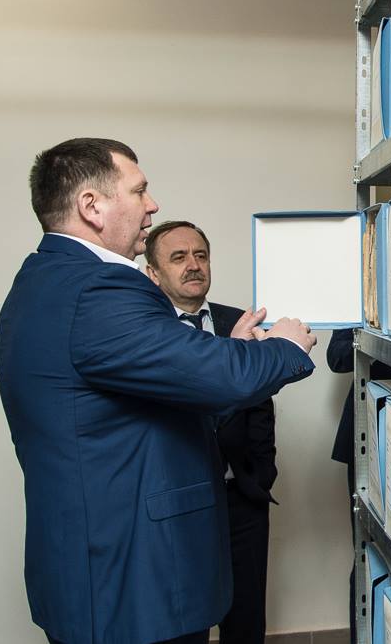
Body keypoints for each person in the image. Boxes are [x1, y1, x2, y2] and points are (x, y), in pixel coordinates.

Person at [0, 138, 317, 644]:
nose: (152, 204)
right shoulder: (97, 288)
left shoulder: (46, 277)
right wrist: (285, 346)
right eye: (138, 190)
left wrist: (227, 354)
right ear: (91, 206)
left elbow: (153, 401)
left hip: (97, 565)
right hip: (130, 577)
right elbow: (225, 377)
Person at [144, 220, 276, 644]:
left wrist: (261, 476)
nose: (193, 265)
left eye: (200, 255)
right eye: (178, 257)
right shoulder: (147, 332)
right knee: (187, 621)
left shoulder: (238, 321)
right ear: (153, 273)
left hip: (241, 500)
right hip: (180, 506)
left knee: (247, 618)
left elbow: (260, 404)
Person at [326, 329, 391, 640]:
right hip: (366, 439)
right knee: (366, 553)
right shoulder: (361, 300)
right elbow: (337, 356)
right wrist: (377, 338)